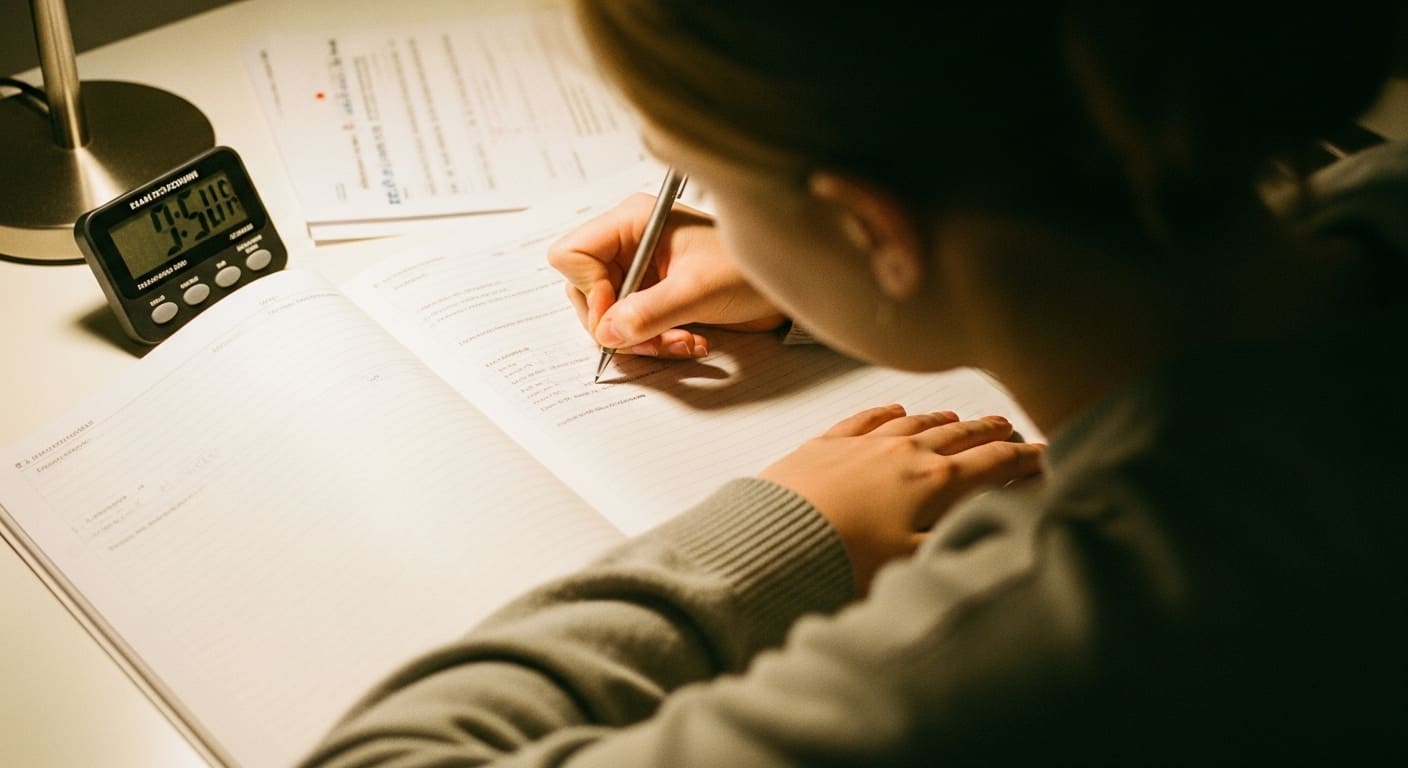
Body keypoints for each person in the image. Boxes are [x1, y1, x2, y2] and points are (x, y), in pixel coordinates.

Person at [301, 2, 1406, 765]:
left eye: (695, 171)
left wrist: (775, 534)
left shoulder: (1081, 630)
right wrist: (831, 273)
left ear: (868, 218)